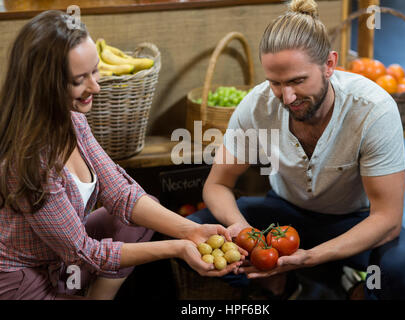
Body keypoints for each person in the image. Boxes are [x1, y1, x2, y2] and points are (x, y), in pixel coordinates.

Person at [188, 0, 405, 300]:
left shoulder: (374, 109)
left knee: (403, 267)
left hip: (353, 220)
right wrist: (244, 235)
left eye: (298, 81)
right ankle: (281, 287)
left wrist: (311, 256)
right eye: (275, 83)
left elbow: (387, 220)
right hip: (282, 216)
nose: (287, 97)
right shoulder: (256, 105)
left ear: (329, 64)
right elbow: (218, 184)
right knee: (193, 234)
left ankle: (356, 292)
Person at [0, 10, 242, 300]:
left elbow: (121, 194)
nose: (96, 86)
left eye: (95, 71)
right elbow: (83, 252)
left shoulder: (72, 120)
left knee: (139, 212)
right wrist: (176, 247)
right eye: (80, 79)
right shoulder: (27, 158)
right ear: (45, 84)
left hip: (62, 262)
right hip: (24, 277)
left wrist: (190, 231)